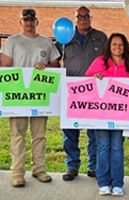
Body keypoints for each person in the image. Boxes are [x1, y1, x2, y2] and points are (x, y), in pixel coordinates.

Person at [0, 8, 60, 187]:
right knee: (18, 135)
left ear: (37, 22)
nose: (29, 23)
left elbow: (56, 65)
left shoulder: (46, 42)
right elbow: (5, 67)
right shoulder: (12, 41)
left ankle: (39, 169)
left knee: (39, 135)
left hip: (40, 95)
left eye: (32, 20)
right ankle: (17, 173)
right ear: (21, 22)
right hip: (18, 97)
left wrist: (46, 65)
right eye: (25, 20)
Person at [55, 6, 107, 181]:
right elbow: (54, 61)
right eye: (80, 16)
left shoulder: (101, 37)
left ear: (91, 18)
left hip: (94, 92)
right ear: (75, 18)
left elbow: (107, 62)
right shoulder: (65, 37)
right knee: (70, 131)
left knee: (94, 132)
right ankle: (72, 165)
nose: (83, 19)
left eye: (86, 16)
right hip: (70, 92)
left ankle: (93, 167)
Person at [85, 33, 129, 196]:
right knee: (102, 147)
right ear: (109, 46)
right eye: (114, 44)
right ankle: (103, 183)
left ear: (125, 47)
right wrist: (94, 78)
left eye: (121, 44)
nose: (118, 47)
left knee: (117, 147)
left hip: (121, 115)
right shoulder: (100, 61)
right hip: (101, 114)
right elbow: (87, 82)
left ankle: (117, 184)